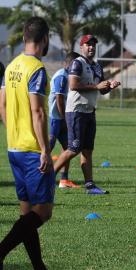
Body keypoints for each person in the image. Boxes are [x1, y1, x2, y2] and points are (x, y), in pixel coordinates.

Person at [0, 16, 54, 269]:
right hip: (32, 150)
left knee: (26, 213)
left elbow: (2, 104)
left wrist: (12, 129)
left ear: (23, 37)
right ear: (44, 40)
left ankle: (39, 266)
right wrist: (44, 148)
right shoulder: (37, 69)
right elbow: (38, 112)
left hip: (14, 147)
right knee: (43, 211)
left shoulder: (11, 66)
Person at [53, 35, 121, 195]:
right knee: (74, 148)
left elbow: (101, 88)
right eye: (88, 45)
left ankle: (90, 186)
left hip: (90, 111)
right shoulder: (77, 63)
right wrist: (97, 86)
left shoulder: (97, 67)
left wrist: (109, 86)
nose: (91, 47)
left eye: (93, 45)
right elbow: (74, 85)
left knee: (87, 150)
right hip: (76, 110)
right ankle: (48, 178)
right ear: (81, 46)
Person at [49, 51, 81, 189]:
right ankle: (35, 176)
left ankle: (64, 180)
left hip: (62, 117)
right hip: (56, 118)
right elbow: (59, 99)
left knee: (69, 148)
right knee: (47, 148)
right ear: (68, 63)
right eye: (75, 64)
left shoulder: (69, 75)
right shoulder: (62, 76)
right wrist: (64, 117)